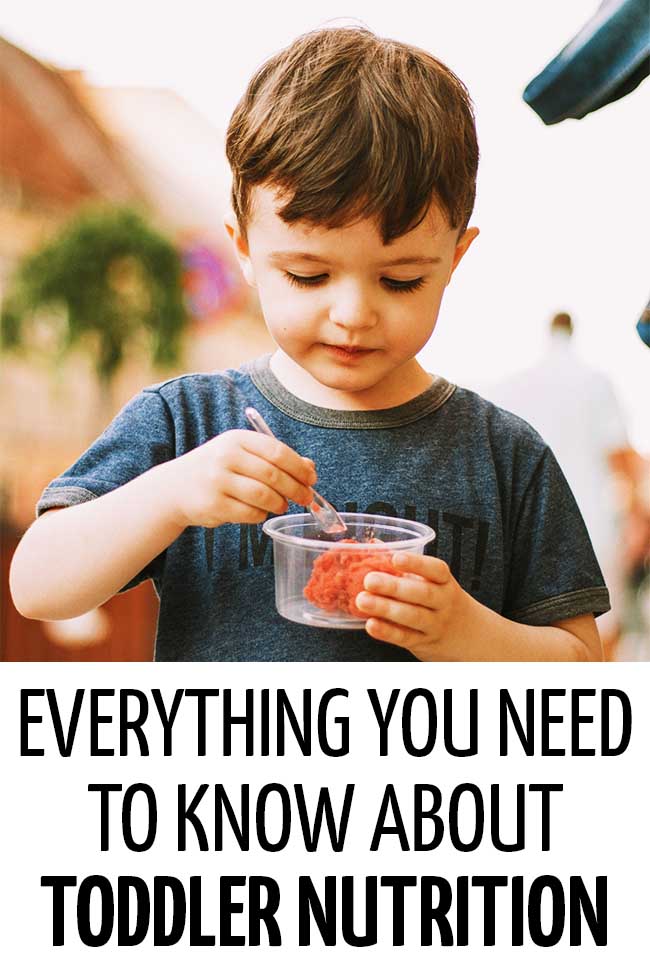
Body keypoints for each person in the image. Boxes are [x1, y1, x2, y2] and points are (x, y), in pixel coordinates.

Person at [9, 27, 609, 662]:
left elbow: (581, 666)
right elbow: (37, 585)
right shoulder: (186, 426)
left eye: (401, 280)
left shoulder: (505, 456)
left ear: (456, 257)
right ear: (243, 248)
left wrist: (465, 631)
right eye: (308, 275)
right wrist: (169, 495)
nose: (352, 316)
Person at [489, 311, 637, 657]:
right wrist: (636, 519)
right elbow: (620, 460)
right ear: (572, 332)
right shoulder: (596, 382)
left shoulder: (515, 384)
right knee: (602, 638)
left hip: (524, 530)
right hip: (591, 525)